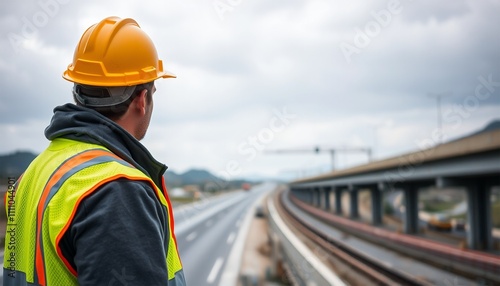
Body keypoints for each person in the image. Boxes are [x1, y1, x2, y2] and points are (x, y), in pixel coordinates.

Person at [3, 16, 186, 285]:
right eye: (153, 90)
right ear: (142, 100)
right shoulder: (117, 189)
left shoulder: (33, 174)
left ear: (77, 92)